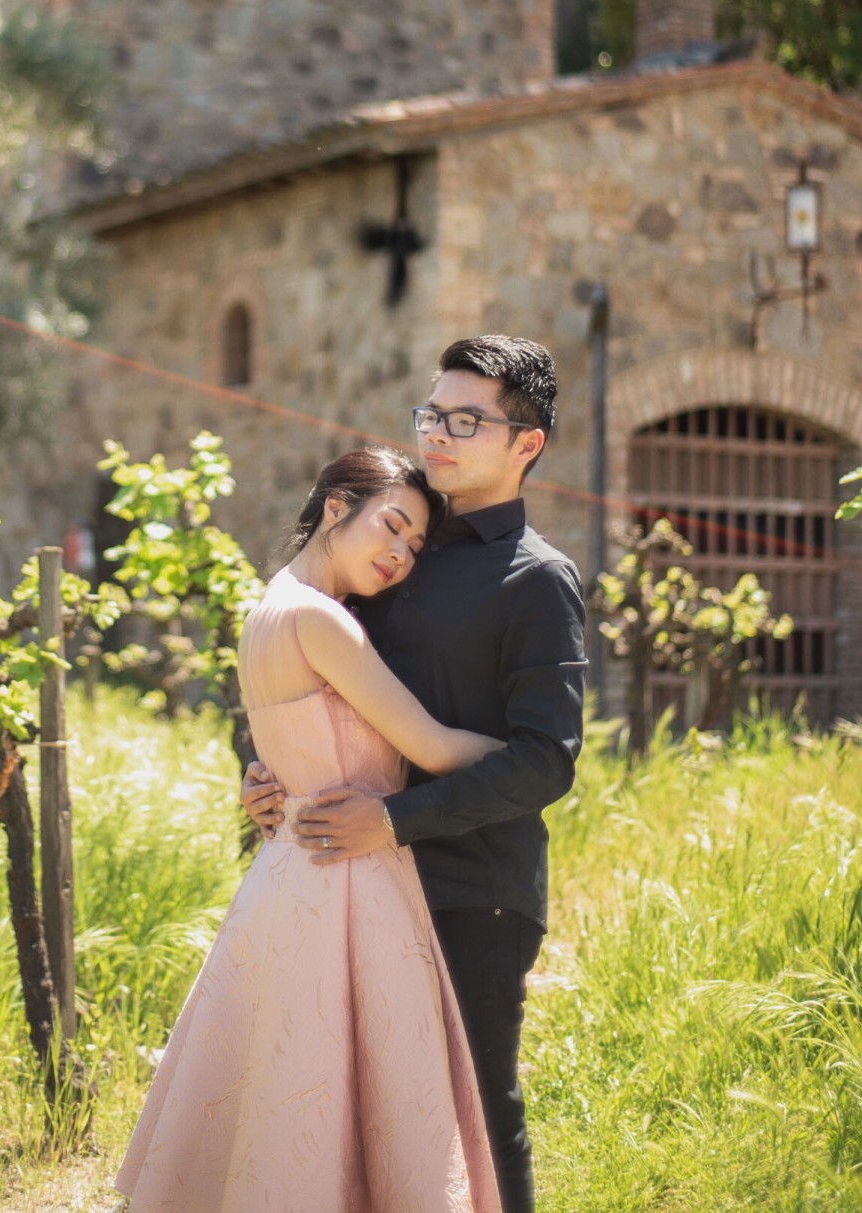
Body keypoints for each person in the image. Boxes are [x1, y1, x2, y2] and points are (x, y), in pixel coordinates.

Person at [243, 335, 586, 1213]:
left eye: (466, 420)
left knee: (476, 1116)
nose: (438, 432)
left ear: (527, 443)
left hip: (472, 887)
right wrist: (270, 765)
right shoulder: (394, 540)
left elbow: (545, 760)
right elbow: (315, 668)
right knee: (358, 1118)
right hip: (347, 885)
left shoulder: (538, 581)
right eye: (433, 412)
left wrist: (394, 820)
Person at [115, 444, 506, 1213]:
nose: (400, 553)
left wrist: (264, 784)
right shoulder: (322, 619)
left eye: (414, 544)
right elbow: (430, 745)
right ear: (336, 507)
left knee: (287, 1096)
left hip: (287, 874)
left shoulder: (268, 606)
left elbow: (288, 751)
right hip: (350, 881)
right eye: (392, 525)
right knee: (353, 1103)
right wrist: (533, 752)